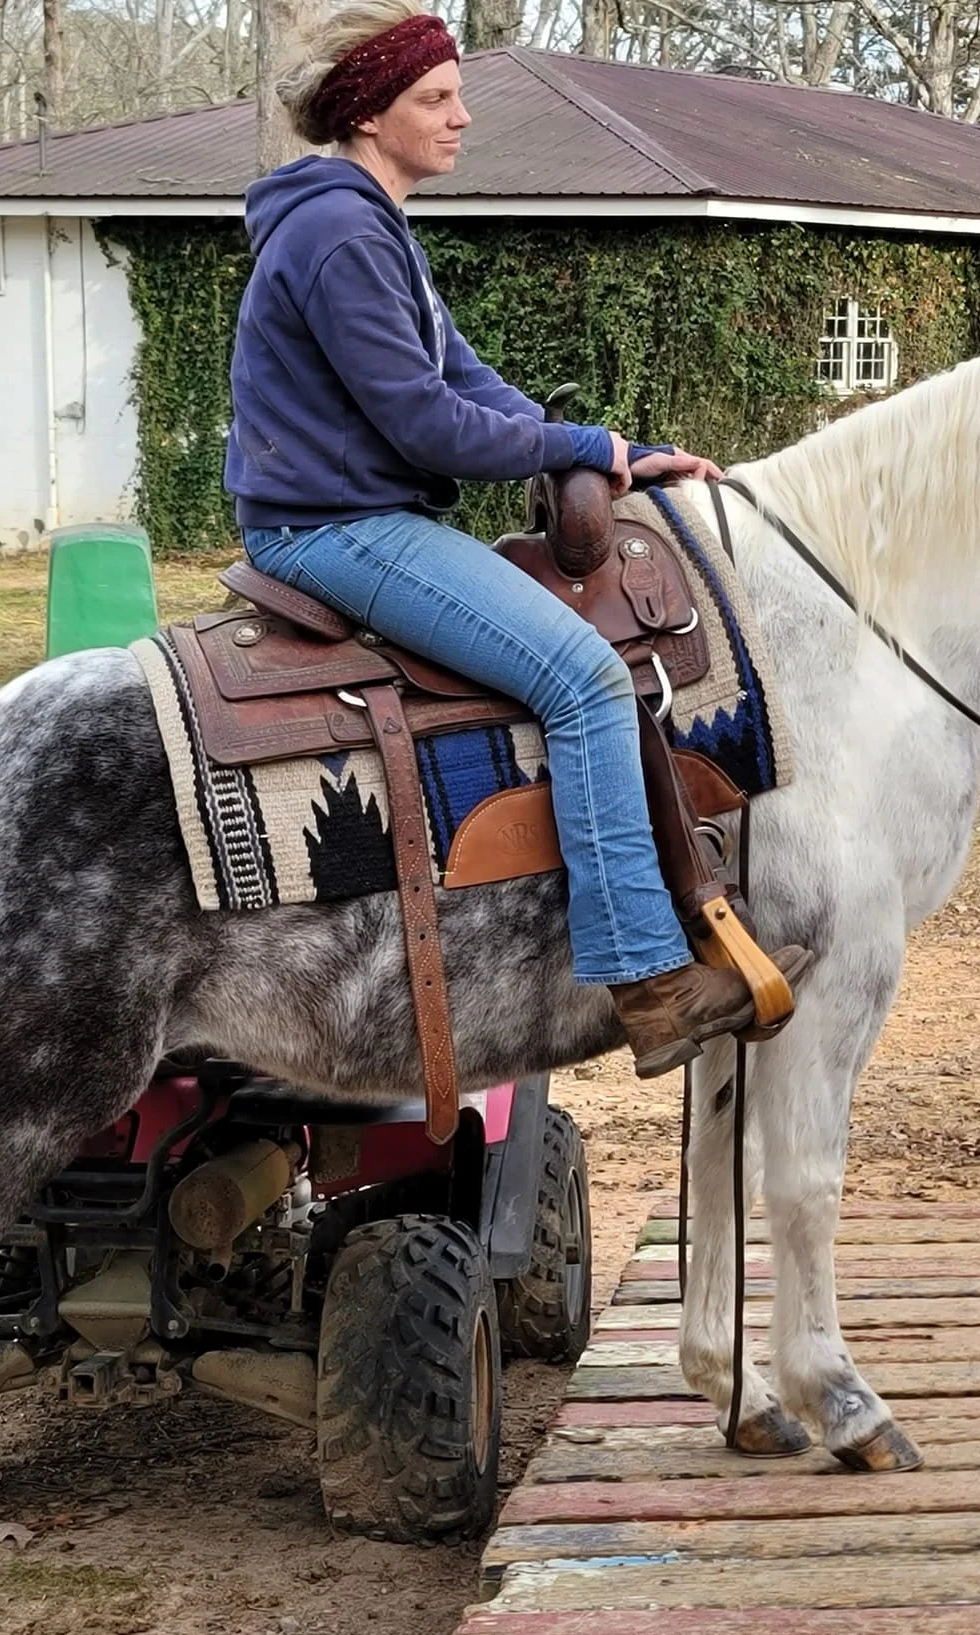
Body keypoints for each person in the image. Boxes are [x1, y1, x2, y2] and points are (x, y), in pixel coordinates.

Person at [227, 0, 805, 1079]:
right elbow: (424, 423)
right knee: (585, 681)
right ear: (368, 114)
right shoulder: (340, 228)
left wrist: (620, 457)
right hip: (336, 530)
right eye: (433, 99)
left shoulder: (367, 218)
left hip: (361, 514)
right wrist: (575, 440)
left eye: (455, 95)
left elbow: (466, 382)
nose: (459, 118)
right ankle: (651, 982)